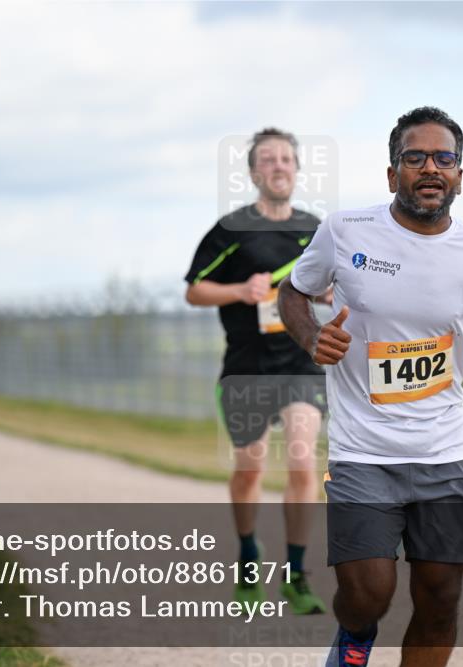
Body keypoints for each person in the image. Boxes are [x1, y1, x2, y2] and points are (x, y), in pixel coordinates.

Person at [278, 107, 463, 666]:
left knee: (440, 598)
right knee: (369, 593)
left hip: (446, 452)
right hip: (364, 453)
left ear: (459, 175)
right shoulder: (345, 231)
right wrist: (312, 338)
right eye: (415, 157)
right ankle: (354, 637)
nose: (431, 168)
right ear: (392, 174)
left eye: (444, 158)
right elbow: (293, 293)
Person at [184, 128, 331, 615]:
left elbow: (335, 284)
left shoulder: (316, 229)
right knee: (249, 469)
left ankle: (296, 573)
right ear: (253, 172)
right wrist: (239, 291)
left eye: (286, 158)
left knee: (303, 460)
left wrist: (327, 295)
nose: (279, 166)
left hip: (299, 364)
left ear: (297, 168)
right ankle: (249, 556)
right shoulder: (231, 229)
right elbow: (195, 290)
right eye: (268, 159)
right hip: (246, 367)